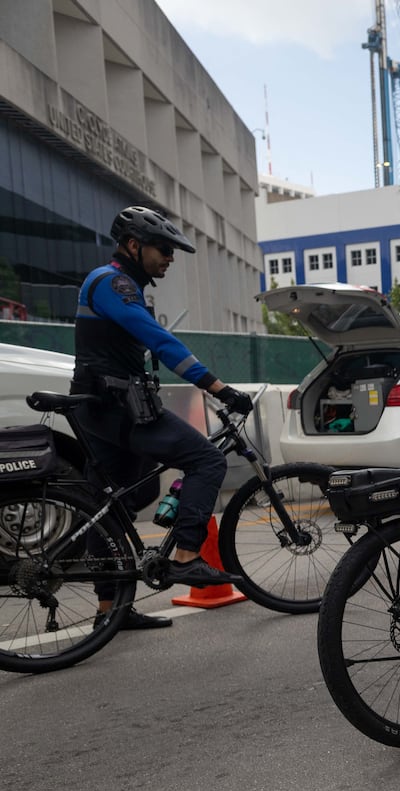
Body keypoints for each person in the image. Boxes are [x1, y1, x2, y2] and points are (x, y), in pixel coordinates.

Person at [72, 206, 254, 630]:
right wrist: (218, 387)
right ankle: (188, 556)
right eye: (164, 249)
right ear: (134, 245)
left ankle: (109, 613)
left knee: (112, 502)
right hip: (117, 408)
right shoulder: (113, 283)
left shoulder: (116, 284)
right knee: (207, 460)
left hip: (99, 405)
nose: (170, 258)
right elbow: (160, 340)